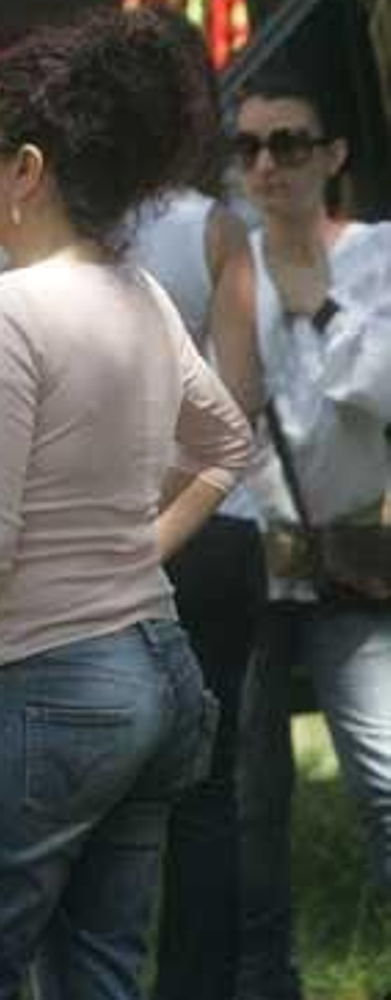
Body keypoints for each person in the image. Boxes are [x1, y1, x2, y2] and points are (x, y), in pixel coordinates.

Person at [0, 8, 254, 997]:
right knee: (99, 979)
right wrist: (137, 552)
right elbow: (224, 444)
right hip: (152, 675)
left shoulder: (9, 308)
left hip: (33, 689)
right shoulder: (135, 291)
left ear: (27, 169)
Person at [232, 68, 391, 1000]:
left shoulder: (376, 252)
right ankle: (264, 986)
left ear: (331, 156)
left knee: (383, 777)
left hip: (358, 558)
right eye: (248, 148)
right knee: (251, 808)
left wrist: (317, 303)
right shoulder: (228, 265)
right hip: (256, 565)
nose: (267, 165)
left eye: (289, 143)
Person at [127, 11, 269, 1000]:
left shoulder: (64, 235)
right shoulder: (216, 230)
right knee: (205, 788)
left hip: (97, 538)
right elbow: (241, 402)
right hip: (213, 528)